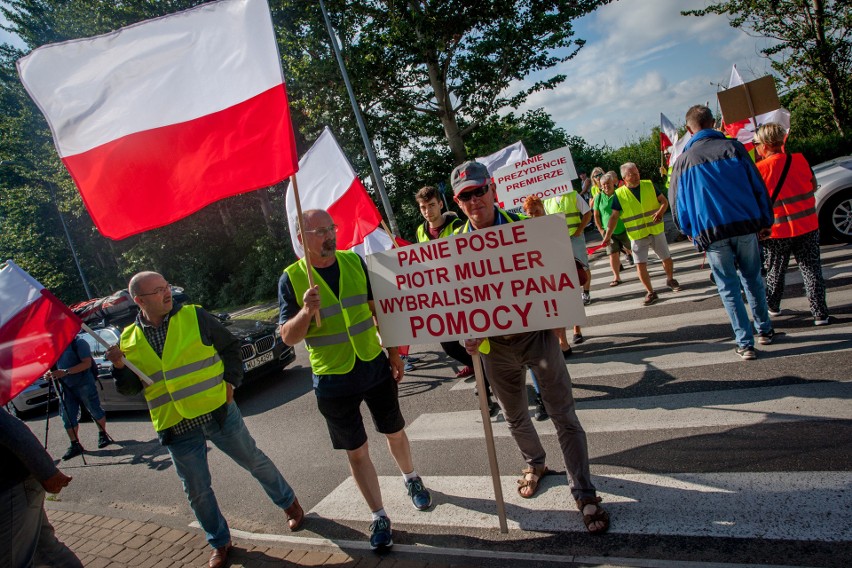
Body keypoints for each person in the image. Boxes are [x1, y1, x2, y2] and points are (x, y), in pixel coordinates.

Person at [451, 160, 610, 535]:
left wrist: (564, 286)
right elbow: (453, 306)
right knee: (515, 416)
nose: (475, 201)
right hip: (493, 350)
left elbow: (575, 276)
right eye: (466, 196)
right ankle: (535, 462)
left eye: (479, 191)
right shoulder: (451, 249)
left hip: (537, 337)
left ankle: (584, 491)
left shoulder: (529, 230)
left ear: (492, 189)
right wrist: (465, 336)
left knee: (563, 414)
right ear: (458, 204)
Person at [105, 272, 303, 568]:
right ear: (139, 301)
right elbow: (131, 388)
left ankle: (290, 505)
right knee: (196, 489)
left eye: (167, 287)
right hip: (175, 425)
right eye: (158, 291)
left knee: (254, 459)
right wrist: (120, 367)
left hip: (217, 412)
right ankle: (219, 542)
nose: (166, 293)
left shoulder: (194, 316)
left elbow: (231, 347)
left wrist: (231, 383)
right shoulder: (128, 339)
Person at [278, 209, 432, 550]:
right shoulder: (291, 278)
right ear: (302, 239)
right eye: (319, 231)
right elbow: (288, 337)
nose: (329, 236)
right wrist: (305, 311)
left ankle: (412, 479)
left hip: (373, 364)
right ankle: (379, 516)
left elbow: (381, 310)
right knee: (357, 451)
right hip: (333, 379)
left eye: (331, 228)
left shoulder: (353, 262)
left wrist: (394, 352)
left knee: (394, 431)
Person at [670, 105, 775, 360]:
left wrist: (689, 231)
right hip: (744, 224)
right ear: (713, 122)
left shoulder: (683, 161)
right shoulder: (734, 148)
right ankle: (765, 330)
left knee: (728, 287)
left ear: (688, 129)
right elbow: (757, 185)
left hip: (711, 232)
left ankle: (745, 343)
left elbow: (678, 204)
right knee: (753, 278)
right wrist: (765, 220)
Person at [753, 122, 830, 325]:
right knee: (811, 269)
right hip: (807, 225)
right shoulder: (799, 160)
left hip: (777, 231)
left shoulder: (760, 169)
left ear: (766, 144)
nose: (756, 148)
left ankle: (773, 306)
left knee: (775, 271)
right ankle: (820, 313)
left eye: (757, 143)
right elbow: (812, 185)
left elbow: (756, 199)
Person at [1, 408, 82, 567]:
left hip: (12, 487)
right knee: (43, 549)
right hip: (16, 487)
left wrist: (48, 473)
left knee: (13, 560)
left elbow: (13, 431)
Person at [601, 162, 682, 306]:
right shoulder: (619, 194)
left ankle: (670, 279)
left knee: (667, 258)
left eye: (637, 172)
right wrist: (607, 236)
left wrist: (661, 211)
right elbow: (614, 217)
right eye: (632, 174)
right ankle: (650, 292)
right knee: (640, 265)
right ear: (625, 177)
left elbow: (664, 201)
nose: (637, 176)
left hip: (655, 230)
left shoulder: (648, 185)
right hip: (637, 235)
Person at [522, 194, 579, 355]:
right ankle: (559, 343)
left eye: (536, 211)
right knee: (550, 312)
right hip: (538, 276)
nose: (534, 216)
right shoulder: (524, 229)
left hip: (556, 272)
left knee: (559, 309)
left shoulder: (554, 223)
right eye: (530, 213)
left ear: (542, 208)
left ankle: (564, 342)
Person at [46, 335, 112, 460]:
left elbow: (86, 363)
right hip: (65, 387)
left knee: (94, 409)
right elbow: (53, 366)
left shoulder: (79, 342)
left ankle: (103, 434)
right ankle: (74, 444)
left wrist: (65, 372)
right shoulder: (54, 347)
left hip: (84, 383)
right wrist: (49, 374)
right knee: (67, 416)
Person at [593, 173, 631, 286]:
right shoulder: (599, 197)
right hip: (608, 232)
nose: (606, 186)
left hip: (624, 228)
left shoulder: (619, 193)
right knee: (613, 254)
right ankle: (616, 277)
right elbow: (596, 215)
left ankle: (643, 269)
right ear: (600, 186)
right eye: (603, 184)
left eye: (608, 184)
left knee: (634, 249)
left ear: (613, 183)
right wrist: (601, 230)